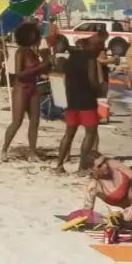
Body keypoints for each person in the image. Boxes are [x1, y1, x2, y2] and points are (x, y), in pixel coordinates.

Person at [1, 23, 51, 162]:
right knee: (17, 121)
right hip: (21, 89)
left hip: (33, 88)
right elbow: (20, 74)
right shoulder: (21, 52)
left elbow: (43, 71)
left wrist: (46, 58)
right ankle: (4, 149)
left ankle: (32, 152)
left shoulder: (33, 52)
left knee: (35, 121)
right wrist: (40, 67)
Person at [54, 36, 101, 173]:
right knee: (90, 134)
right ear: (89, 46)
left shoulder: (70, 58)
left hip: (71, 100)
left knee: (68, 134)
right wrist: (99, 90)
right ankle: (81, 167)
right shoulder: (90, 58)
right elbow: (92, 80)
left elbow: (61, 75)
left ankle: (59, 165)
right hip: (87, 100)